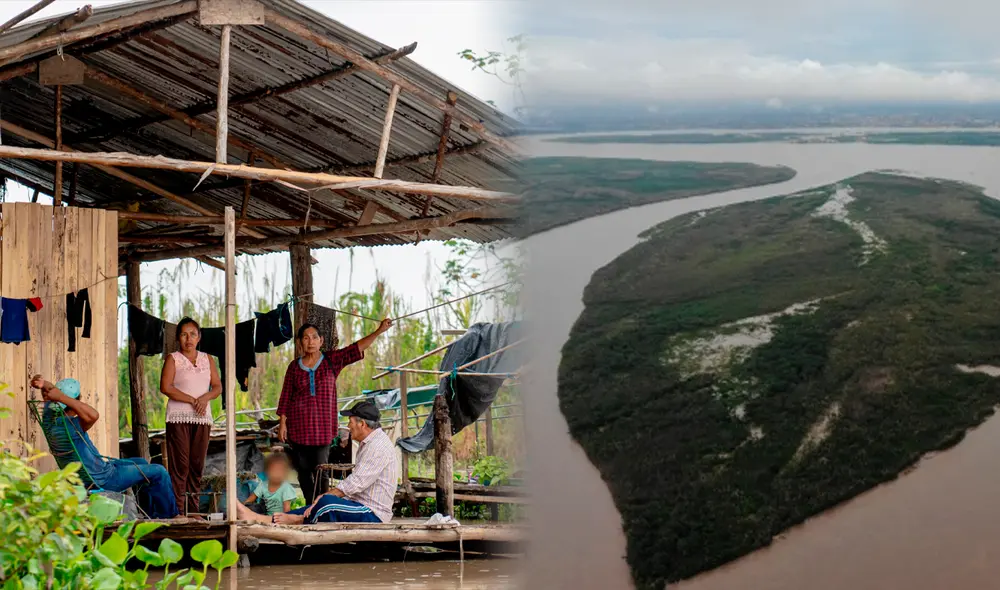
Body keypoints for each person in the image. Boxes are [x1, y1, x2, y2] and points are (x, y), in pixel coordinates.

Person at [276, 318, 392, 505]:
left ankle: (321, 505)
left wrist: (379, 331)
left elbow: (357, 348)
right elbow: (286, 396)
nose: (310, 341)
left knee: (322, 470)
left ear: (321, 341)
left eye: (314, 337)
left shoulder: (332, 360)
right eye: (306, 338)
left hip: (322, 428)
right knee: (303, 471)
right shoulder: (293, 367)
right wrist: (282, 423)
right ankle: (309, 506)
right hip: (298, 428)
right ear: (300, 342)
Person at [32, 374, 179, 519]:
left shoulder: (49, 423)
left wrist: (44, 384)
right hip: (104, 479)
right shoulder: (74, 426)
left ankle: (149, 512)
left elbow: (52, 397)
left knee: (141, 462)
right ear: (75, 402)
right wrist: (62, 397)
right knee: (159, 471)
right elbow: (93, 415)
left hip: (89, 474)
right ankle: (168, 516)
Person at [238, 400, 398, 524]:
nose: (348, 426)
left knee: (326, 503)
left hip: (372, 513)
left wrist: (324, 496)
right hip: (358, 505)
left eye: (350, 422)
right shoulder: (369, 442)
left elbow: (356, 483)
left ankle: (298, 520)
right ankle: (260, 518)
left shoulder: (378, 446)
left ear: (362, 424)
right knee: (313, 506)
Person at [159, 317, 222, 515]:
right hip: (178, 418)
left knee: (197, 465)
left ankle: (193, 511)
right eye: (184, 334)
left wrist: (204, 399)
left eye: (193, 334)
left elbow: (218, 386)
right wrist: (192, 400)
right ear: (178, 337)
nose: (189, 339)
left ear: (199, 337)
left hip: (202, 418)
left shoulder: (207, 359)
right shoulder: (173, 358)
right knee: (181, 466)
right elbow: (165, 387)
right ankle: (178, 512)